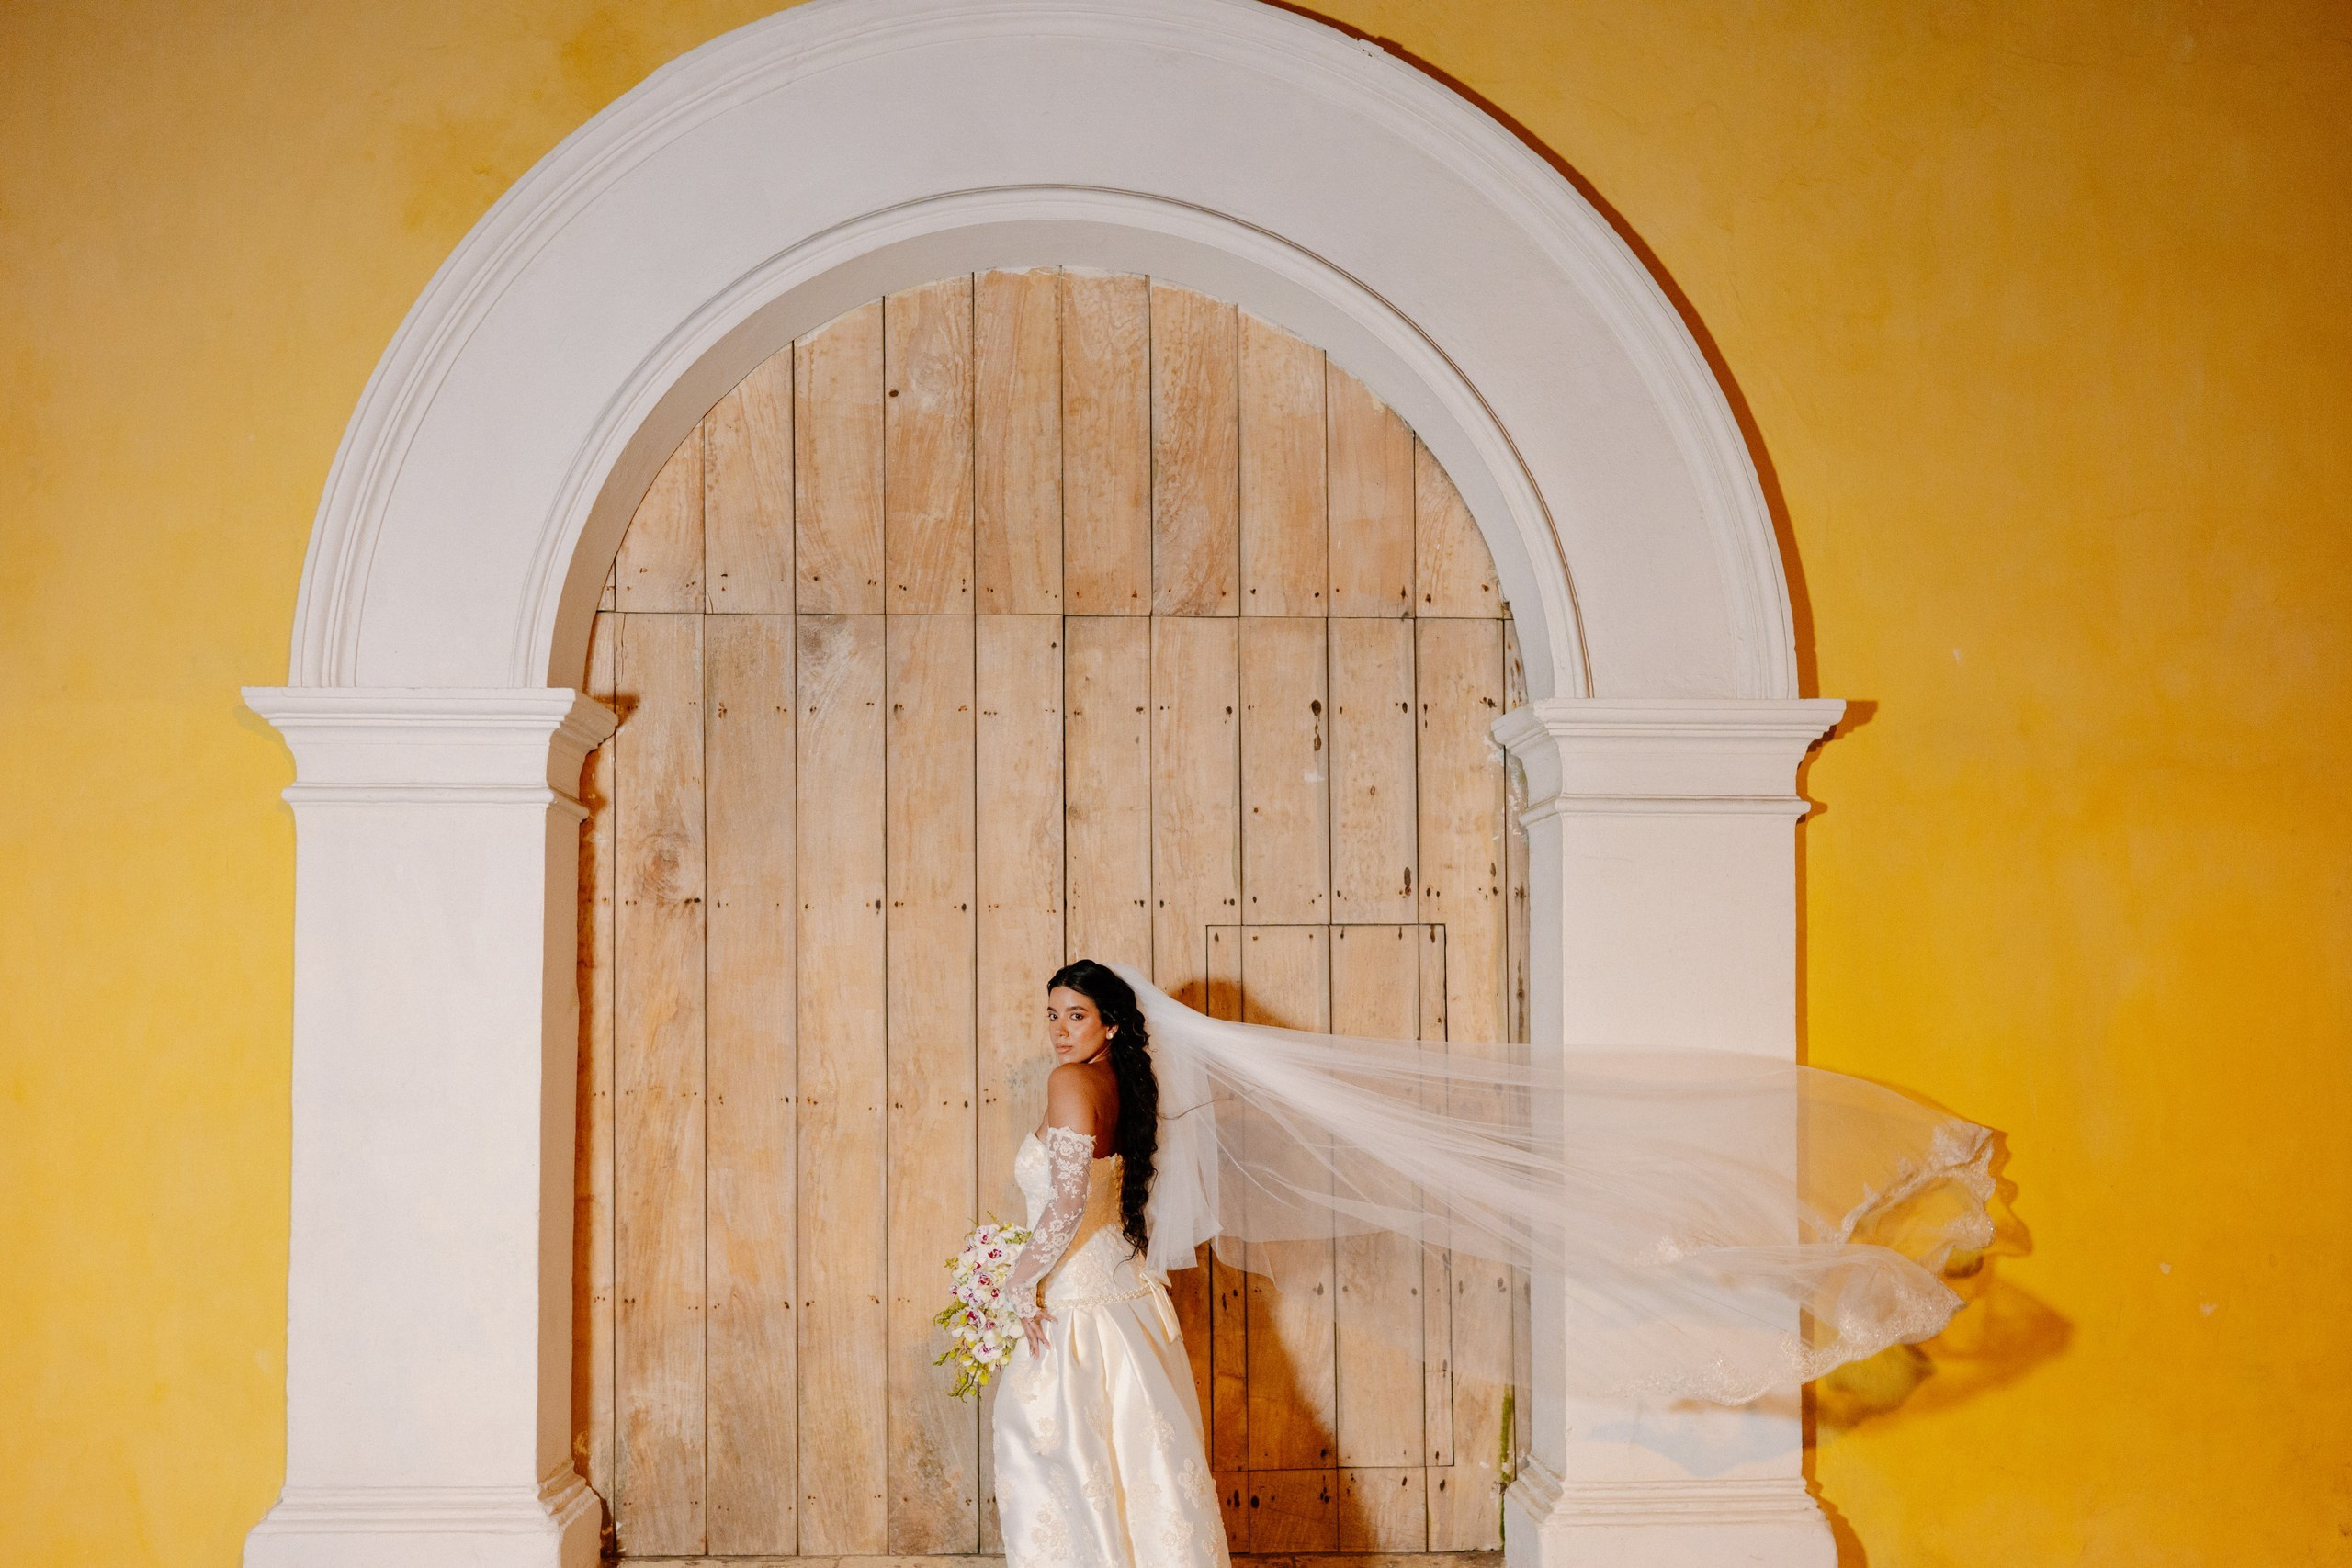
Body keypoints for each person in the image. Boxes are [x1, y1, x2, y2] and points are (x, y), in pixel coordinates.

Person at [992, 960, 1227, 1568]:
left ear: (1112, 1024)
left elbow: (1069, 1200)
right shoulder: (1122, 1082)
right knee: (1137, 1469)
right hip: (1126, 1301)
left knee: (1062, 1467)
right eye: (1053, 1014)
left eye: (1077, 1015)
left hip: (1078, 1308)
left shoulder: (1070, 1081)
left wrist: (1019, 1279)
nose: (1060, 1030)